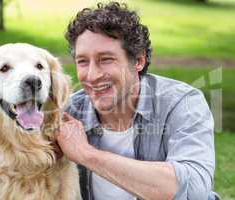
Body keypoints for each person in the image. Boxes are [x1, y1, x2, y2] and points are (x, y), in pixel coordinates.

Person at [55, 2, 218, 200]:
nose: (92, 75)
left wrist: (87, 155)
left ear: (139, 61)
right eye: (82, 61)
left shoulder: (181, 103)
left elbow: (194, 190)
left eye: (106, 59)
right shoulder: (68, 113)